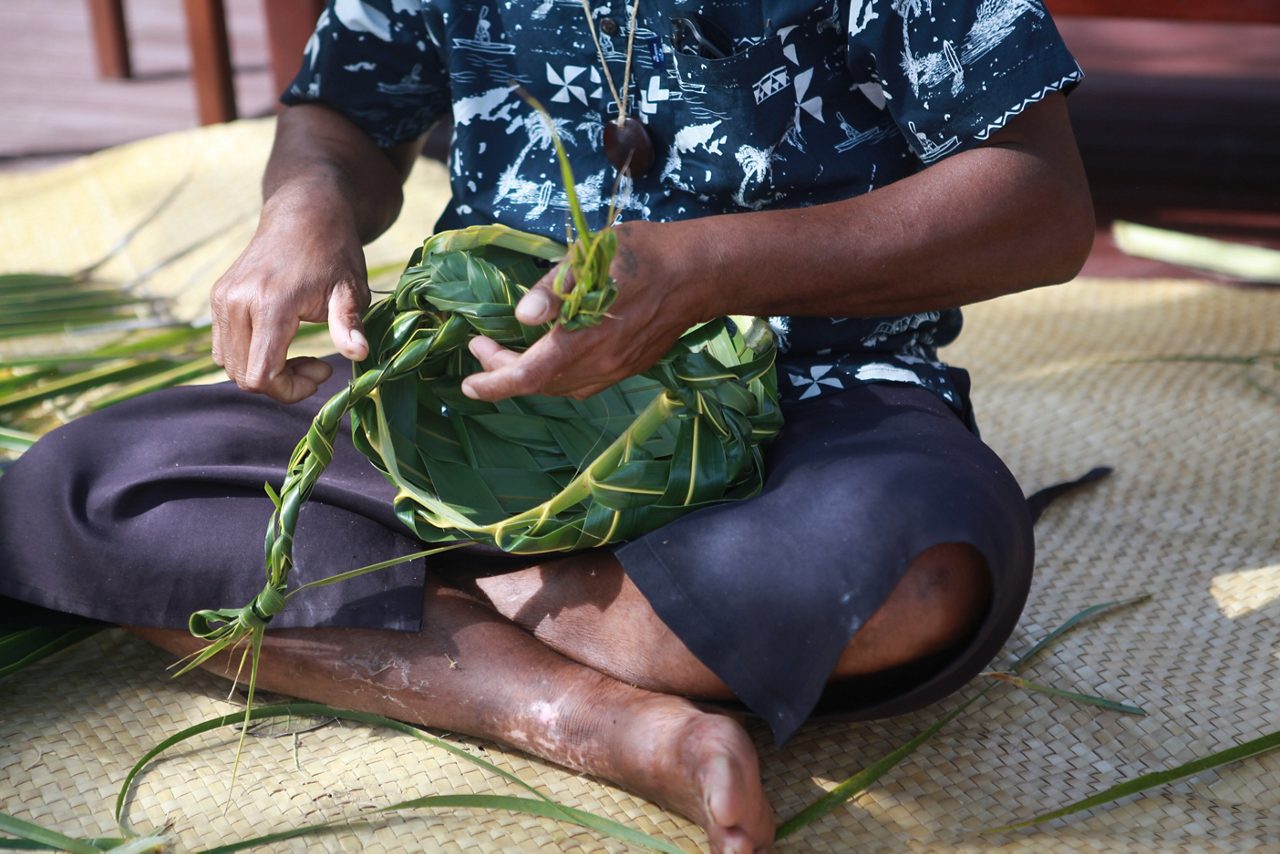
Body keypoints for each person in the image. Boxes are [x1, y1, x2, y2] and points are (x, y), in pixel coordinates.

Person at [0, 2, 1093, 850]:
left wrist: (707, 270)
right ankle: (609, 719)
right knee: (85, 495)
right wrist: (306, 208)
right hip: (468, 407)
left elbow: (1038, 203)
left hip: (807, 390)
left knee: (916, 579)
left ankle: (442, 605)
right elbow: (342, 113)